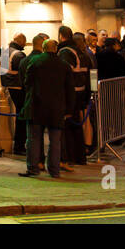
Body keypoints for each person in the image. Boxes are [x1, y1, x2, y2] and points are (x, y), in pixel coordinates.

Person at [18, 39, 74, 179]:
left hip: (36, 107)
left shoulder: (35, 62)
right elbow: (69, 89)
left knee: (33, 139)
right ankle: (54, 171)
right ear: (55, 49)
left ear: (43, 48)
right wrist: (69, 109)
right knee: (55, 141)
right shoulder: (64, 65)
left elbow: (27, 82)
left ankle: (33, 168)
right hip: (56, 109)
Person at [55, 27, 87, 168]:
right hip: (81, 91)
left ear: (61, 36)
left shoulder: (65, 52)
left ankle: (69, 157)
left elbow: (64, 74)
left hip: (70, 93)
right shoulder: (80, 52)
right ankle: (80, 157)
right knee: (76, 125)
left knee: (67, 126)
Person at [1, 33, 29, 154]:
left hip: (8, 87)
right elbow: (25, 72)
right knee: (21, 117)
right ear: (20, 41)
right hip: (18, 88)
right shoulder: (19, 54)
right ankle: (19, 146)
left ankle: (18, 145)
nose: (25, 43)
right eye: (25, 41)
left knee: (17, 117)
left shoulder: (6, 52)